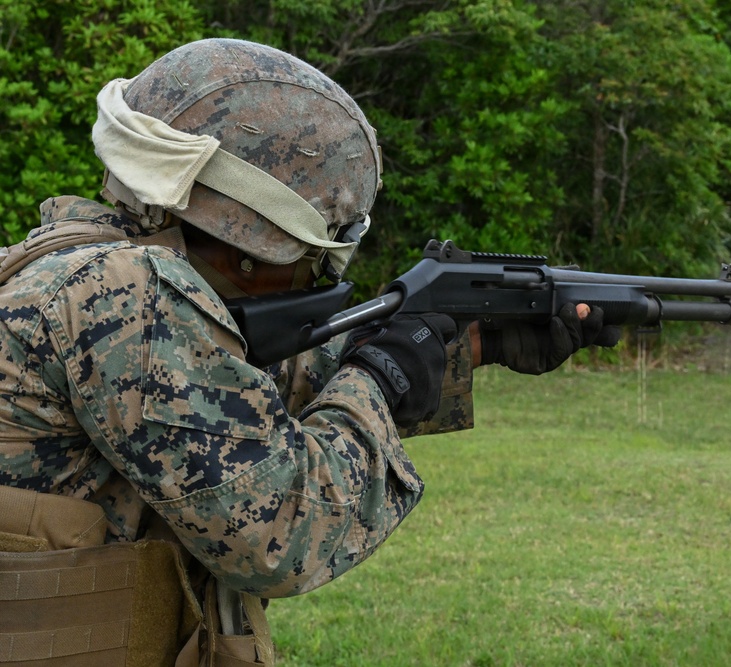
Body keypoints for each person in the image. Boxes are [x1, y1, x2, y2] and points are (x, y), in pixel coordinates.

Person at [0, 39, 616, 666]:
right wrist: (382, 379)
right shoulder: (129, 295)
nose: (311, 278)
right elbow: (280, 531)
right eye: (309, 258)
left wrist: (470, 340)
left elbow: (242, 395)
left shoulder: (73, 270)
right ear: (248, 235)